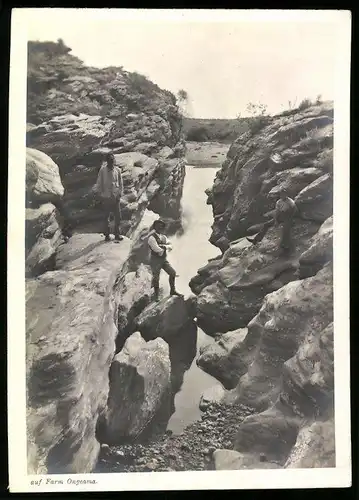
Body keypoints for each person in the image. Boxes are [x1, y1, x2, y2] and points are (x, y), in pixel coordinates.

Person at [247, 189, 298, 254]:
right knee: (266, 224)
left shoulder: (290, 202)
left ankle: (286, 246)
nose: (282, 196)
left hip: (288, 216)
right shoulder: (279, 202)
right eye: (281, 194)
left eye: (283, 194)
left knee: (286, 229)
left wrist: (291, 218)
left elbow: (295, 210)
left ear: (286, 195)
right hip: (281, 216)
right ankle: (256, 240)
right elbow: (277, 212)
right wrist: (276, 221)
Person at [148, 219, 183, 301]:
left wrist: (164, 246)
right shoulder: (151, 238)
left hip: (163, 260)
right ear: (155, 227)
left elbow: (170, 246)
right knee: (156, 278)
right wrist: (165, 247)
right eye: (158, 226)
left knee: (172, 273)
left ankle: (173, 290)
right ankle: (156, 296)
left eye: (161, 226)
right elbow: (156, 249)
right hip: (155, 260)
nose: (160, 227)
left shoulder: (163, 237)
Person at [94, 153, 124, 242]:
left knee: (118, 217)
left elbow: (121, 183)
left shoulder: (117, 170)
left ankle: (117, 234)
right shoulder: (102, 170)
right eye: (110, 160)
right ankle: (107, 235)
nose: (112, 162)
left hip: (115, 197)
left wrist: (119, 194)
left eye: (113, 160)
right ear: (107, 161)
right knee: (106, 217)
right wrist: (99, 194)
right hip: (106, 197)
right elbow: (99, 182)